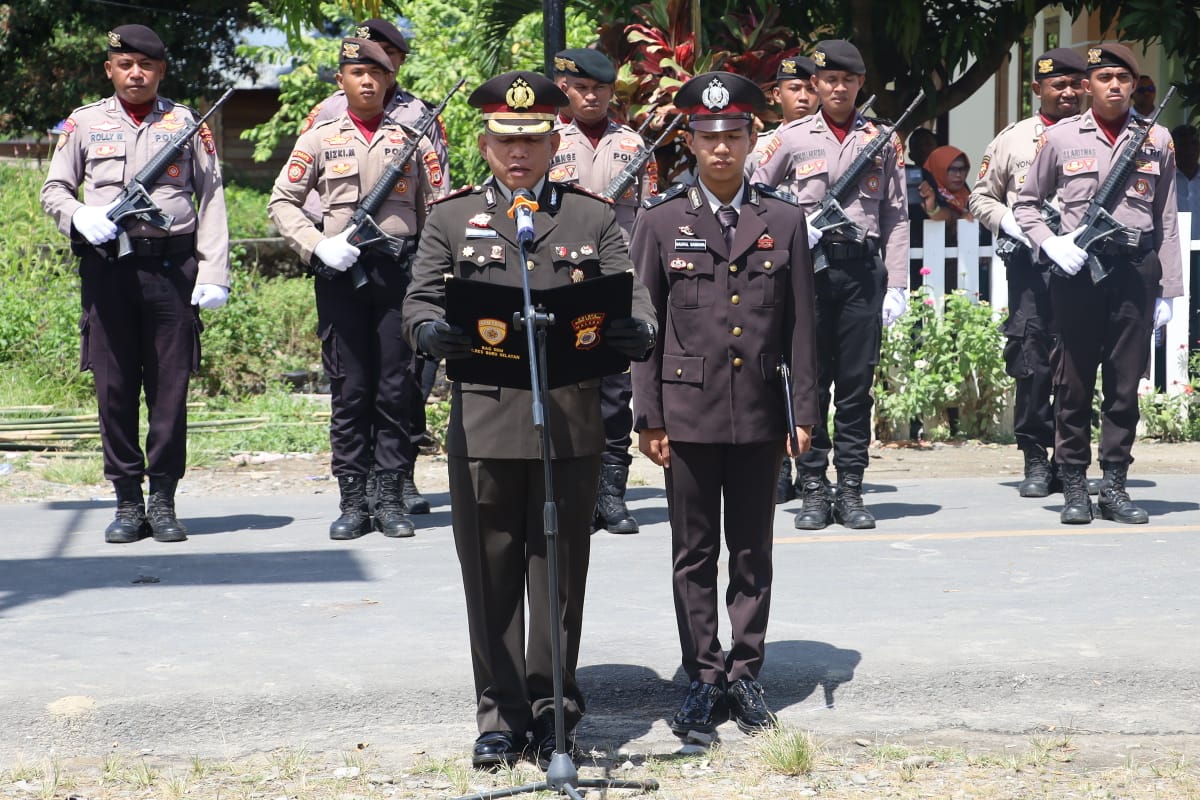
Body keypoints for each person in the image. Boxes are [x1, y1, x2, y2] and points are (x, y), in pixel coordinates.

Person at [401, 70, 655, 770]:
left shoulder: (590, 217)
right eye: (506, 141)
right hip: (483, 424)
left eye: (534, 140)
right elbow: (419, 301)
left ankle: (554, 713)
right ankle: (500, 715)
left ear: (553, 141)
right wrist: (428, 334)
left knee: (559, 577)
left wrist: (639, 333)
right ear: (485, 144)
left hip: (569, 426)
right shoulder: (450, 218)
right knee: (489, 573)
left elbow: (629, 296)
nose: (520, 153)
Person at [631, 70, 818, 739]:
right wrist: (646, 416)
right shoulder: (659, 223)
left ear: (751, 139)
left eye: (732, 136)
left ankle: (746, 673)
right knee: (693, 550)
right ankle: (704, 676)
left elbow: (800, 326)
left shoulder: (786, 220)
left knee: (752, 551)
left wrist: (804, 415)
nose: (719, 150)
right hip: (686, 413)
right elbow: (643, 329)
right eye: (707, 137)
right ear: (689, 140)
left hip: (762, 410)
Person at [41, 24, 231, 544]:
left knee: (170, 389)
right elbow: (54, 189)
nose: (136, 73)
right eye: (125, 64)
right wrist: (80, 215)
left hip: (172, 271)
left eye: (146, 64)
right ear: (110, 69)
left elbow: (212, 198)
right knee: (115, 387)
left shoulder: (188, 124)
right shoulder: (83, 123)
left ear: (160, 71)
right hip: (108, 270)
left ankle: (164, 499)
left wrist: (214, 272)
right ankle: (127, 500)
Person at [268, 38, 445, 540]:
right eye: (356, 72)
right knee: (350, 390)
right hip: (341, 274)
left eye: (377, 72)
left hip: (399, 275)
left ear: (390, 80)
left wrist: (433, 279)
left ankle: (390, 497)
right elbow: (283, 200)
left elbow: (437, 211)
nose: (367, 80)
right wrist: (316, 246)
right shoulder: (319, 137)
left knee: (396, 388)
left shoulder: (414, 138)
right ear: (340, 80)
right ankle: (353, 499)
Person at [1014, 43, 1182, 525]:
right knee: (1073, 380)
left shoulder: (1158, 139)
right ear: (1087, 85)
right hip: (1078, 270)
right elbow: (1026, 204)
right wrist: (1051, 244)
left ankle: (1113, 484)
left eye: (1122, 78)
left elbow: (1165, 216)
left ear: (1133, 85)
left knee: (1125, 384)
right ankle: (1072, 484)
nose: (1114, 85)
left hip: (1135, 269)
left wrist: (1170, 287)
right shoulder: (1062, 138)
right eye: (1104, 77)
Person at [752, 39, 909, 531]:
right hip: (808, 271)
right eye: (829, 80)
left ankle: (852, 489)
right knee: (810, 384)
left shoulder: (883, 140)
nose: (838, 87)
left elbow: (896, 213)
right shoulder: (792, 138)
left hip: (863, 271)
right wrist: (795, 226)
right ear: (815, 84)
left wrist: (898, 282)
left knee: (857, 387)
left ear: (860, 84)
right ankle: (814, 487)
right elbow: (755, 192)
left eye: (848, 80)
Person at [549, 47, 658, 534]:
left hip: (617, 277)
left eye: (600, 89)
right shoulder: (548, 142)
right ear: (565, 89)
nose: (591, 96)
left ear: (613, 93)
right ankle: (573, 491)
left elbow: (649, 214)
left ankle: (611, 492)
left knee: (616, 390)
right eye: (581, 88)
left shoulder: (633, 146)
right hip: (563, 281)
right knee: (567, 387)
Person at [969, 48, 1086, 498]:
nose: (1069, 92)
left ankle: (1069, 459)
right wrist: (1014, 224)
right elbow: (982, 197)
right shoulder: (1012, 140)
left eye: (1077, 83)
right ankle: (1035, 456)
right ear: (1037, 89)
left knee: (1076, 364)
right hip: (1031, 269)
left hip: (1084, 265)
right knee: (1033, 364)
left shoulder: (1098, 138)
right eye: (1059, 85)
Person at [747, 55, 818, 183]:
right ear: (777, 95)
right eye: (794, 89)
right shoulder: (755, 149)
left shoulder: (835, 147)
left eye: (811, 89)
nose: (803, 97)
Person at [919, 145, 974, 222]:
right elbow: (948, 218)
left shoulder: (965, 192)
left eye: (962, 169)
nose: (958, 174)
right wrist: (934, 210)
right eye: (952, 169)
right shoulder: (925, 192)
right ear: (937, 169)